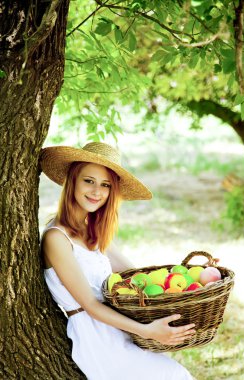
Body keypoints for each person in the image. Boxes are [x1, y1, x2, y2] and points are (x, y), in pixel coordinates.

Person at [40, 142, 195, 380]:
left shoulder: (92, 231)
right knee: (174, 374)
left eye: (105, 185)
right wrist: (148, 331)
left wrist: (184, 279)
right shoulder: (56, 238)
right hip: (97, 339)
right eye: (88, 181)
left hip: (120, 329)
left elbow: (133, 274)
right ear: (73, 180)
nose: (96, 191)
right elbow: (90, 305)